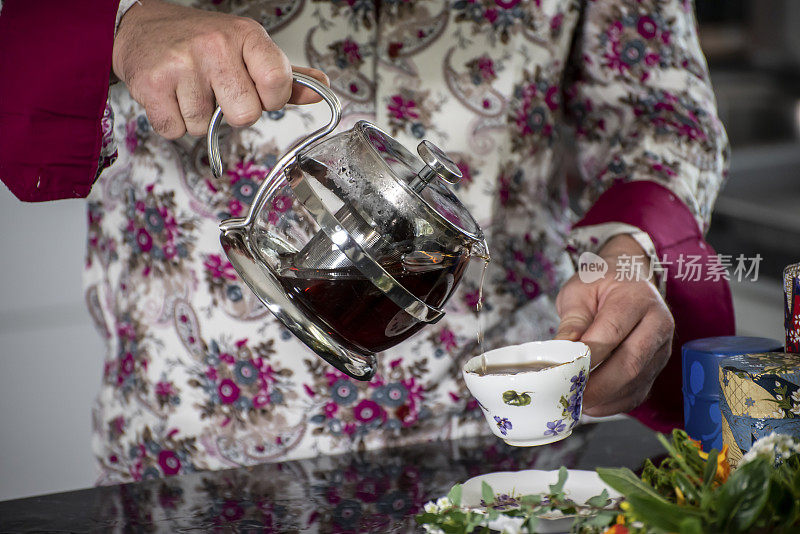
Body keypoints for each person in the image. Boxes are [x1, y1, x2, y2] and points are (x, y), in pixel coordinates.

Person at [0, 0, 734, 484]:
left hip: (501, 441)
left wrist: (627, 253)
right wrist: (123, 23)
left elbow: (658, 115)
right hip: (197, 444)